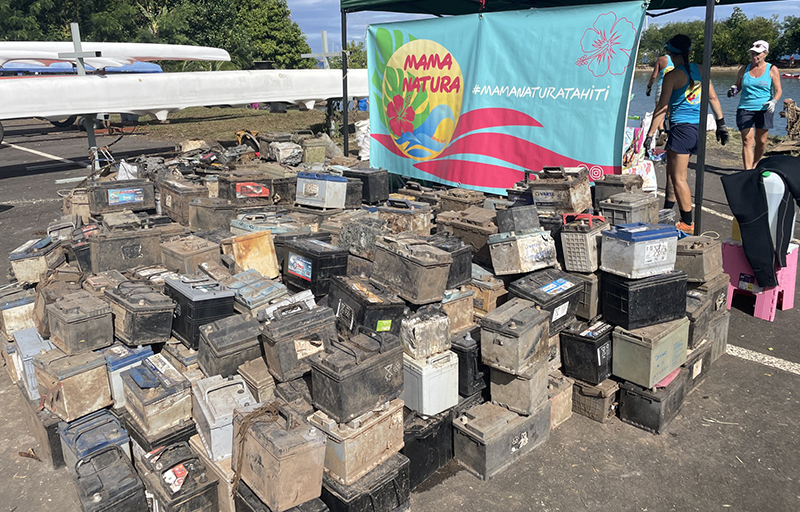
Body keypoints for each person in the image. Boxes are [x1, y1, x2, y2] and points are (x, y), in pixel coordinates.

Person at [644, 34, 728, 235]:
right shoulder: (701, 70)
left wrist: (650, 134)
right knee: (672, 172)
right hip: (698, 129)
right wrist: (721, 124)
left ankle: (688, 222)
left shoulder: (672, 76)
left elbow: (662, 108)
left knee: (679, 178)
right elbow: (713, 98)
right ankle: (668, 211)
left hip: (682, 129)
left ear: (670, 53)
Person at [728, 40, 782, 170]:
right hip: (745, 108)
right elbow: (738, 85)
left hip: (764, 109)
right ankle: (748, 172)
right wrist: (733, 90)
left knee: (761, 141)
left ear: (765, 53)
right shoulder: (744, 69)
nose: (755, 56)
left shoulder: (772, 69)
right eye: (752, 53)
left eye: (758, 54)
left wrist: (774, 101)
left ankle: (755, 164)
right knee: (747, 140)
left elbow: (779, 90)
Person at [646, 52, 675, 131]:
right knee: (669, 111)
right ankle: (669, 129)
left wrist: (649, 87)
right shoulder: (676, 59)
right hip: (673, 86)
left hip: (662, 86)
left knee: (659, 110)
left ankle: (661, 130)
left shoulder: (661, 59)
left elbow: (654, 76)